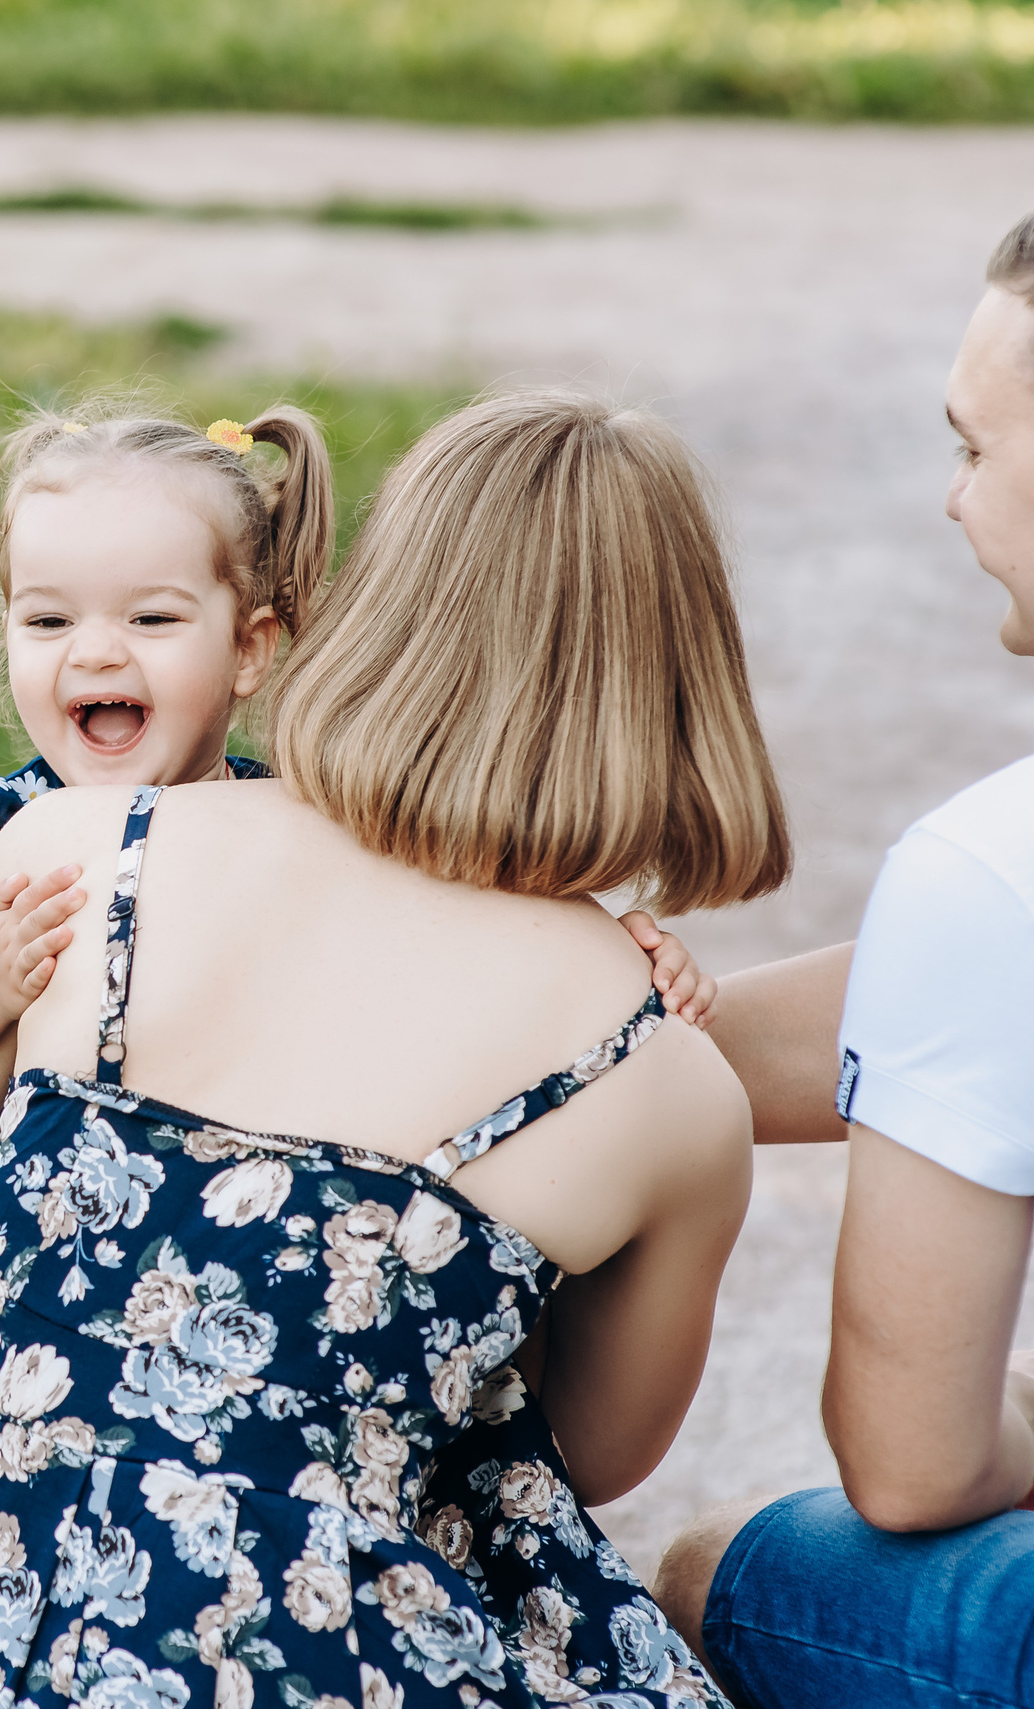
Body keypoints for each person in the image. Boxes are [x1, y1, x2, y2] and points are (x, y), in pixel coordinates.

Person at [0, 389, 787, 1709]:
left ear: (362, 608)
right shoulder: (666, 1079)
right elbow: (581, 1455)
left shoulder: (89, 851)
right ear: (685, 687)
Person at [0, 401, 714, 1111]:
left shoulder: (292, 823)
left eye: (151, 618)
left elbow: (439, 941)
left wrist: (618, 968)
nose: (92, 653)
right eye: (48, 620)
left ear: (250, 649)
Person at [653, 212, 1034, 1709]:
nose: (950, 502)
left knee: (719, 1569)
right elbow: (941, 1015)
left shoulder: (996, 868)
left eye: (977, 449)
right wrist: (585, 1016)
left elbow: (912, 1464)